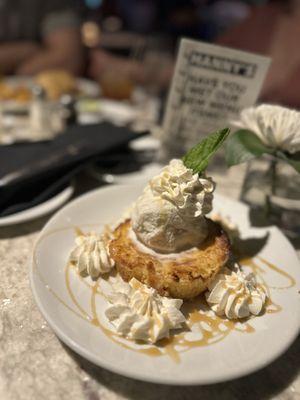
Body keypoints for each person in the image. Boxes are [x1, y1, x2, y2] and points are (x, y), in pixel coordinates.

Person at [0, 0, 84, 75]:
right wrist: (25, 51)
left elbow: (68, 58)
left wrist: (13, 72)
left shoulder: (50, 3)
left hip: (33, 86)